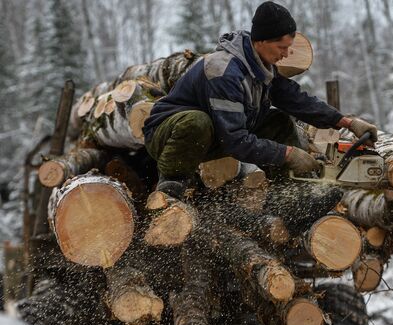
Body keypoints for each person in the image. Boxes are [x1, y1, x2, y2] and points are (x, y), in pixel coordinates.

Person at [143, 1, 378, 199]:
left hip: (215, 133)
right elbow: (235, 140)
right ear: (262, 41)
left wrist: (346, 122)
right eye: (281, 47)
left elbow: (297, 100)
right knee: (196, 122)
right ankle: (172, 180)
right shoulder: (224, 72)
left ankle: (290, 195)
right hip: (168, 137)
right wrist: (287, 154)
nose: (285, 54)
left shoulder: (262, 66)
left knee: (278, 121)